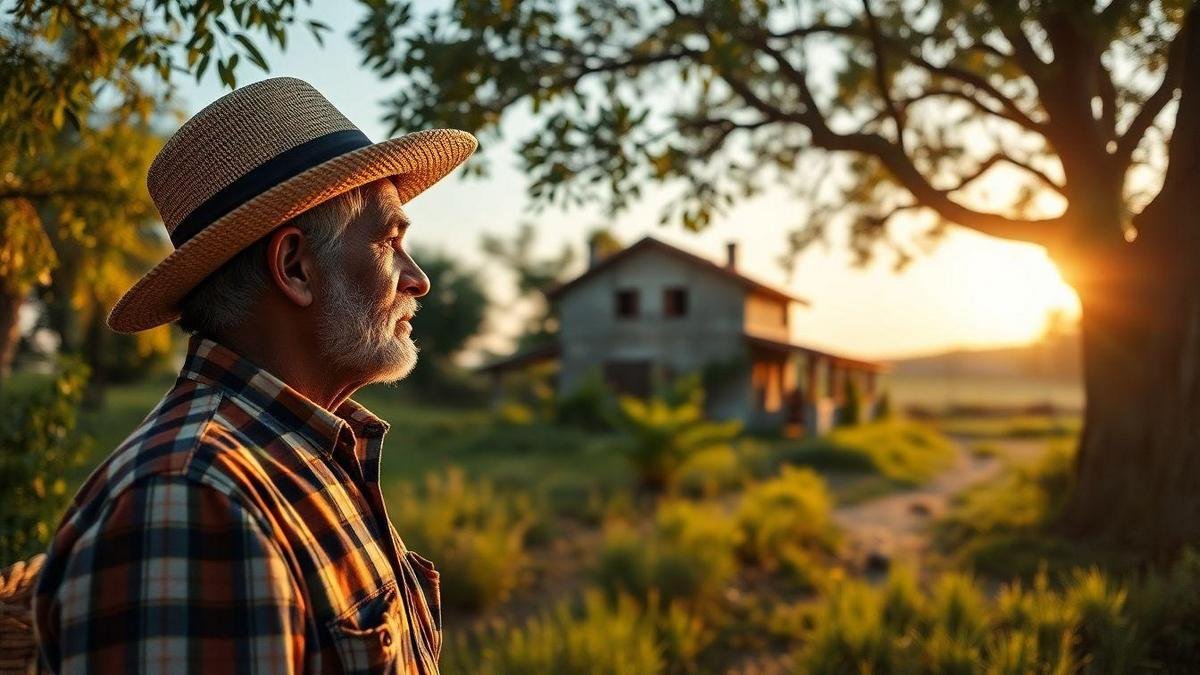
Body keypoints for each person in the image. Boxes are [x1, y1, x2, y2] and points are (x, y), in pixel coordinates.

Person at [33, 77, 477, 674]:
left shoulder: (304, 452)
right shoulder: (190, 502)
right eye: (389, 239)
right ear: (294, 266)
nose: (417, 279)